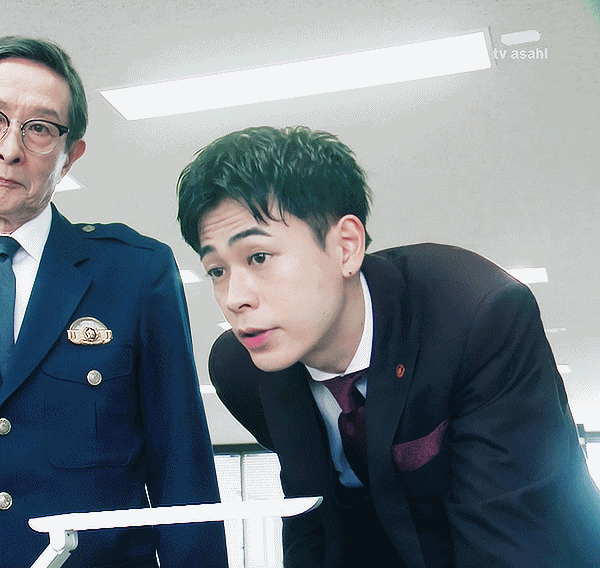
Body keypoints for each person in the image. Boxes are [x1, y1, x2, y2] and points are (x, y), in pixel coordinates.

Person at [177, 125, 600, 568]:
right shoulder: (241, 369)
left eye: (258, 257)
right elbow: (316, 517)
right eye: (216, 270)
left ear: (346, 247)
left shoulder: (474, 317)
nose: (234, 298)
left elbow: (508, 538)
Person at [0, 36, 227, 568]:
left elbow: (181, 467)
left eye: (39, 128)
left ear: (69, 156)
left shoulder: (134, 272)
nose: (10, 148)